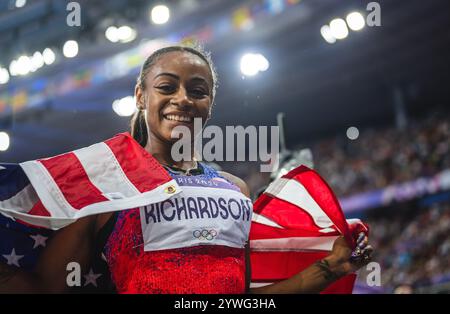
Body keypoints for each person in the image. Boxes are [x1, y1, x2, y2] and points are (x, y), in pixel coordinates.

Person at [0, 45, 372, 294]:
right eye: (167, 87)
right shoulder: (107, 187)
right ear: (141, 96)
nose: (182, 99)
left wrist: (331, 268)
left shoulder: (234, 190)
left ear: (209, 103)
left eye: (198, 90)